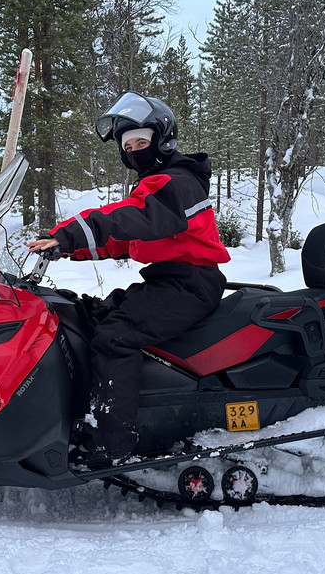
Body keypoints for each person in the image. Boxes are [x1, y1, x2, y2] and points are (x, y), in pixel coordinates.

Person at [26, 91, 230, 468]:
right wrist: (65, 248)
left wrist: (73, 232)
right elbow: (124, 237)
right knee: (89, 319)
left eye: (142, 141)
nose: (135, 150)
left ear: (162, 139)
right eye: (128, 145)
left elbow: (133, 217)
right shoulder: (157, 184)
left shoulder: (179, 181)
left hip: (190, 284)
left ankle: (111, 443)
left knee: (115, 338)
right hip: (169, 281)